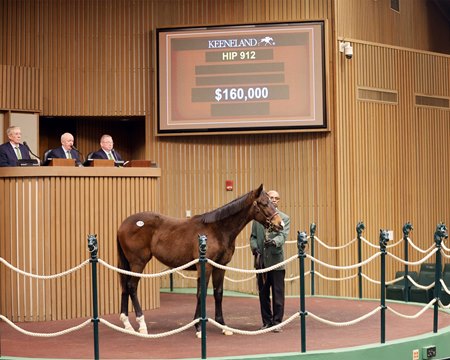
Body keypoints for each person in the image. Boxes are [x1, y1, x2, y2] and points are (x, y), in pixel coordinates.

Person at [250, 189, 290, 332]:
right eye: (271, 197)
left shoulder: (284, 218)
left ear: (279, 201)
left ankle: (277, 322)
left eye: (276, 198)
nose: (273, 200)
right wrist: (255, 248)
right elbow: (253, 237)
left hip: (276, 263)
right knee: (263, 294)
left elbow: (283, 236)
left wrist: (273, 242)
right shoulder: (258, 219)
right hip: (261, 263)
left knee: (278, 295)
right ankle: (266, 322)